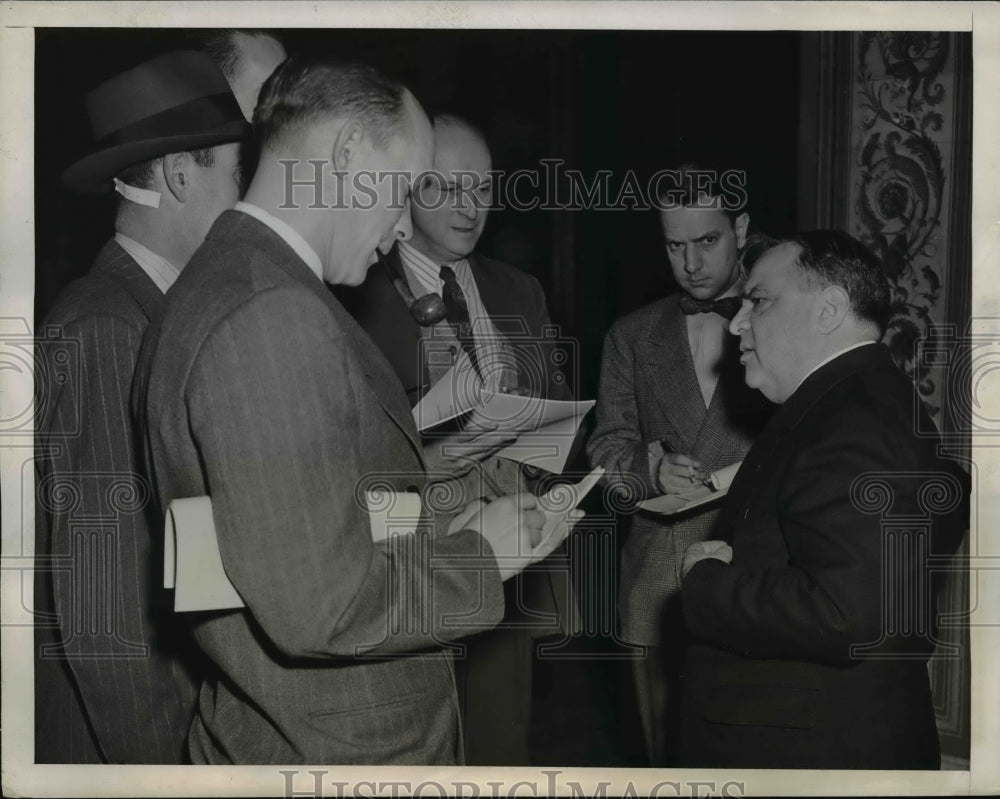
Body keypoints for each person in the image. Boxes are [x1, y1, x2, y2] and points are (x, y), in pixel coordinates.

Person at [134, 60, 577, 766]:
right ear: (346, 155)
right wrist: (485, 554)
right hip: (343, 747)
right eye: (404, 190)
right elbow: (322, 607)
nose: (405, 225)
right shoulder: (272, 312)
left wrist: (431, 526)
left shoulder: (225, 279)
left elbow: (286, 526)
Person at [34, 50, 253, 764]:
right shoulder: (108, 326)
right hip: (128, 741)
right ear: (181, 174)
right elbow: (104, 612)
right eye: (236, 171)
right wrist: (166, 767)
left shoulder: (150, 310)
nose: (247, 196)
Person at [678, 230, 968, 768]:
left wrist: (707, 581)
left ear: (830, 308)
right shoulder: (865, 400)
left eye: (758, 300)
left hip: (806, 751)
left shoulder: (849, 420)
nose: (737, 323)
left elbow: (843, 611)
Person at [337, 113, 576, 765]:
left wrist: (548, 467)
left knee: (502, 741)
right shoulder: (350, 289)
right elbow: (339, 449)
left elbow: (552, 408)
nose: (469, 207)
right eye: (445, 188)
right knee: (415, 745)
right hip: (407, 565)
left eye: (482, 188)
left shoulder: (517, 287)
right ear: (408, 190)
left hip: (512, 557)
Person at [586, 165, 772, 765]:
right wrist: (648, 469)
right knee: (664, 761)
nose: (691, 263)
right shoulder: (630, 336)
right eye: (675, 245)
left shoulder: (781, 316)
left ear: (740, 228)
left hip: (763, 575)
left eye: (707, 241)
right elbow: (606, 448)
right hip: (658, 585)